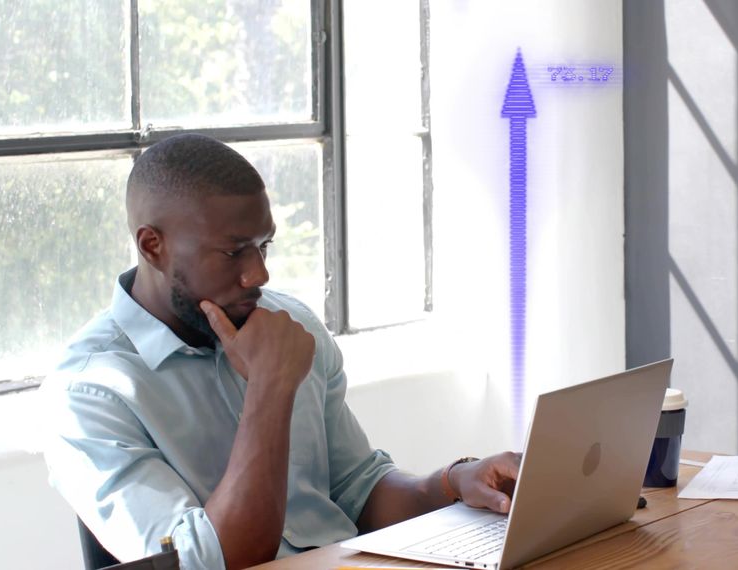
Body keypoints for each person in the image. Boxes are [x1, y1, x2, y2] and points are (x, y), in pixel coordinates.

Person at [41, 134, 520, 570]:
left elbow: (358, 488)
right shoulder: (90, 392)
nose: (259, 276)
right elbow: (206, 563)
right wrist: (270, 387)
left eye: (263, 247)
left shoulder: (290, 324)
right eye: (234, 253)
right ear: (152, 245)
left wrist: (454, 482)